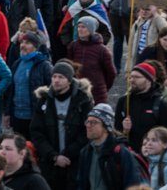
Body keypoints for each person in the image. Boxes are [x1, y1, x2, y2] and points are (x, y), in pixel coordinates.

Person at [29, 61, 93, 190]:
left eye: (61, 77)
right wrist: (54, 156)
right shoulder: (44, 100)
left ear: (69, 80)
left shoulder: (83, 101)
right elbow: (36, 132)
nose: (56, 80)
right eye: (54, 76)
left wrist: (68, 154)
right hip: (50, 163)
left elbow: (88, 131)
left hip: (75, 161)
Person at [77, 104, 148, 190]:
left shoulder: (121, 153)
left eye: (94, 122)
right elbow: (81, 184)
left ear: (106, 127)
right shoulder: (86, 152)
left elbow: (132, 184)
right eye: (88, 121)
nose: (88, 125)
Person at [115, 62, 167, 151]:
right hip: (129, 155)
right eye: (131, 77)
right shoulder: (124, 101)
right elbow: (116, 132)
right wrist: (125, 131)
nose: (132, 80)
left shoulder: (162, 104)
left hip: (153, 157)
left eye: (137, 77)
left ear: (149, 80)